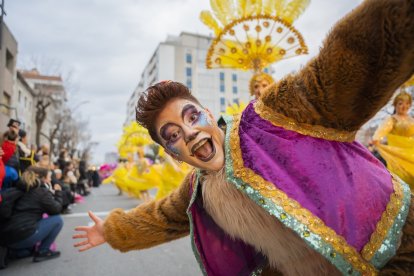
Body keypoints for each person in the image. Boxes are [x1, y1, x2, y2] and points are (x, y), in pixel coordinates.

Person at [74, 1, 414, 275]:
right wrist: (111, 231)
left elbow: (348, 59)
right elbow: (163, 217)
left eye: (192, 116)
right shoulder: (198, 189)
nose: (190, 132)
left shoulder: (272, 115)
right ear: (173, 154)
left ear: (208, 112)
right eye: (173, 135)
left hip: (395, 247)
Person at [0, 166, 63, 262]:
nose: (50, 179)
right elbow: (56, 209)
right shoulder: (41, 192)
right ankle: (43, 251)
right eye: (49, 177)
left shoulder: (16, 189)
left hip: (7, 238)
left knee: (27, 250)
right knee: (57, 220)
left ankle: (16, 251)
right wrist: (58, 193)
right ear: (42, 178)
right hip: (23, 235)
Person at [373, 90, 414, 190]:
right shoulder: (392, 119)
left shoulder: (411, 120)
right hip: (397, 154)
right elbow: (380, 132)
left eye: (407, 103)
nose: (404, 106)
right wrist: (376, 140)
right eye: (401, 103)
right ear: (395, 105)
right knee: (403, 178)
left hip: (411, 152)